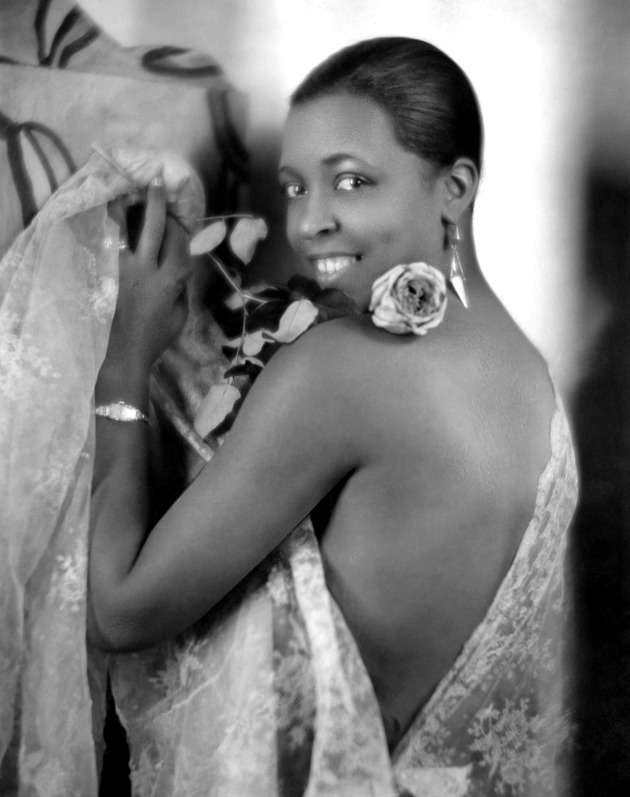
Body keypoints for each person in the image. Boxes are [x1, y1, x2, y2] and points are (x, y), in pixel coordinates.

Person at [89, 38, 578, 796]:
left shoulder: (343, 370)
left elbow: (120, 612)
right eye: (294, 188)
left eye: (351, 181)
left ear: (453, 188)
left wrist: (123, 362)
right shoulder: (529, 373)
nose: (309, 222)